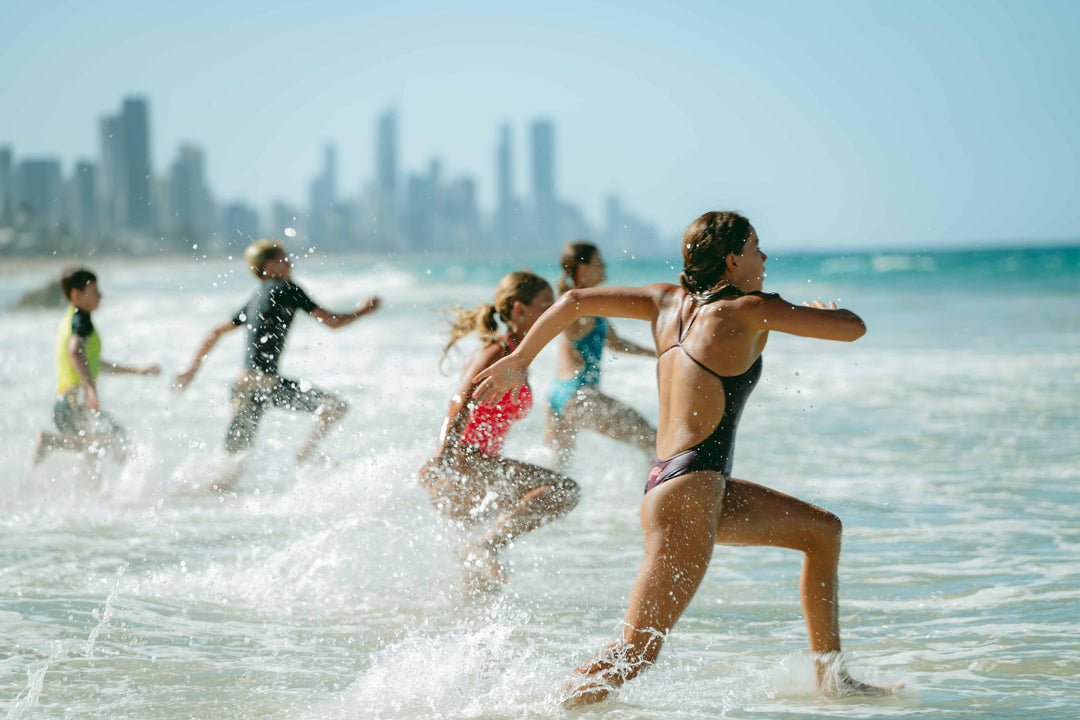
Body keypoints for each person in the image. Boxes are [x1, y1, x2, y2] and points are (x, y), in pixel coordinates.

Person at [474, 212, 892, 704]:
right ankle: (540, 709)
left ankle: (833, 678)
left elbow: (573, 301)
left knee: (822, 532)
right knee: (635, 653)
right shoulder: (749, 308)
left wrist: (521, 359)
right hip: (690, 497)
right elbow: (853, 329)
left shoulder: (664, 301)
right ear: (732, 260)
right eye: (755, 248)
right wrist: (825, 311)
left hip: (686, 489)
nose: (763, 258)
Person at [420, 271, 581, 595]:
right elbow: (459, 401)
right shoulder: (498, 351)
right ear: (520, 309)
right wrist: (443, 458)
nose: (552, 313)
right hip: (466, 463)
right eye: (545, 305)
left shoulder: (515, 354)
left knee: (480, 589)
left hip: (474, 465)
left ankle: (478, 559)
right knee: (563, 490)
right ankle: (486, 546)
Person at [172, 240, 380, 481]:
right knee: (334, 407)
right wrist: (364, 310)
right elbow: (332, 322)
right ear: (269, 266)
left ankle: (188, 496)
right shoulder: (288, 289)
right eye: (284, 259)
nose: (290, 264)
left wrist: (191, 371)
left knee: (229, 469)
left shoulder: (258, 295)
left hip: (243, 386)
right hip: (265, 385)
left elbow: (216, 331)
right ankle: (306, 454)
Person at [34, 266, 161, 465]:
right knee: (115, 440)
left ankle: (57, 449)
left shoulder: (70, 318)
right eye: (94, 291)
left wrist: (137, 370)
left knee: (98, 448)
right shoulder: (81, 320)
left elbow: (92, 362)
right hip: (75, 403)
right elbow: (75, 352)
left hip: (66, 405)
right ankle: (51, 442)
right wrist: (90, 389)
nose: (100, 295)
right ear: (76, 295)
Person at [546, 242, 655, 469]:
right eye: (598, 262)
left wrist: (658, 353)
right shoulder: (575, 305)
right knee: (653, 441)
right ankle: (655, 492)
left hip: (557, 394)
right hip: (579, 395)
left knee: (558, 469)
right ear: (583, 269)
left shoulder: (586, 305)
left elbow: (616, 343)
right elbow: (562, 324)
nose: (604, 266)